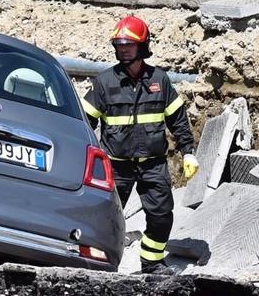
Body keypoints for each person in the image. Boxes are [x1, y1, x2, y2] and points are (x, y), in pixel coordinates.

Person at [82, 15, 197, 275]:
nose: (123, 49)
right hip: (115, 167)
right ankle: (101, 266)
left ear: (142, 46)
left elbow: (177, 120)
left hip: (153, 165)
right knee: (106, 218)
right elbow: (82, 124)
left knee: (161, 216)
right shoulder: (103, 83)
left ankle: (152, 264)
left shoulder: (160, 80)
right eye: (119, 44)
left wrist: (188, 152)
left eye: (129, 45)